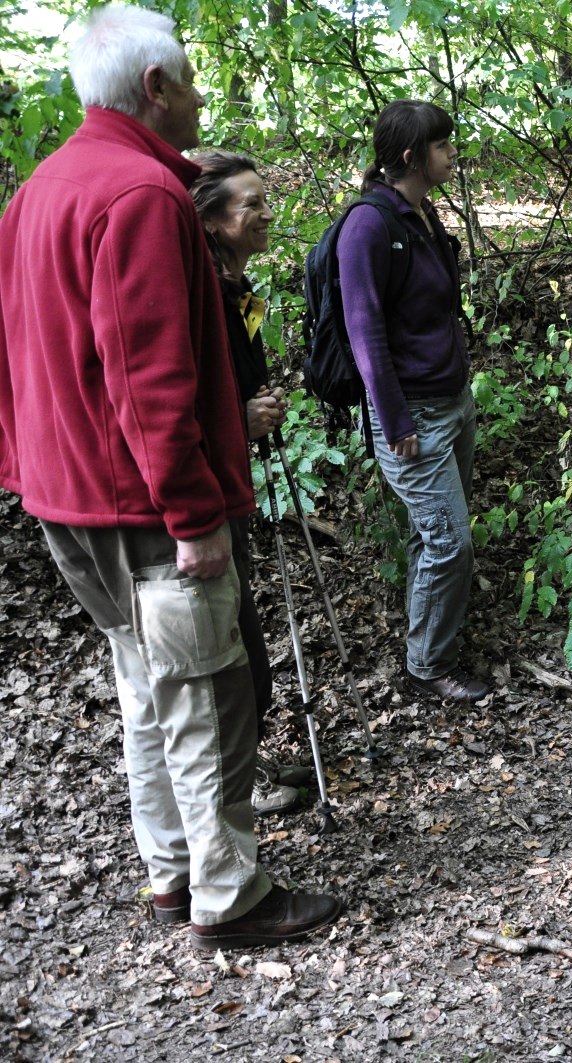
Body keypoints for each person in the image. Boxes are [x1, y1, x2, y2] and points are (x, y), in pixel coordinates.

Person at [0, 4, 340, 949]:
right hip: (143, 502)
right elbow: (149, 375)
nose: (197, 96)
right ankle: (228, 893)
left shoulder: (37, 192)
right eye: (188, 79)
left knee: (146, 684)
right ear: (155, 87)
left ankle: (171, 869)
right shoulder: (142, 195)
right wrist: (194, 513)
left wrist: (24, 467)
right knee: (206, 692)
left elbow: (16, 353)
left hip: (66, 497)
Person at [337, 99, 488, 702]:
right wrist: (395, 420)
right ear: (411, 156)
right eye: (442, 145)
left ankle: (429, 642)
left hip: (451, 402)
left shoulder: (423, 215)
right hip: (412, 417)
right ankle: (427, 667)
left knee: (436, 537)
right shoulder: (369, 227)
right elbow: (365, 332)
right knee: (450, 542)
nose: (452, 153)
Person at [189, 149, 309, 816]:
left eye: (266, 200)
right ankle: (238, 778)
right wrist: (240, 419)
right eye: (251, 205)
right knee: (233, 643)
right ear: (211, 219)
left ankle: (248, 758)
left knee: (245, 631)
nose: (266, 213)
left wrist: (255, 411)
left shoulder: (241, 290)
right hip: (203, 491)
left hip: (232, 480)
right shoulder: (201, 293)